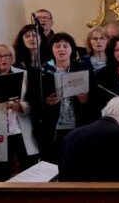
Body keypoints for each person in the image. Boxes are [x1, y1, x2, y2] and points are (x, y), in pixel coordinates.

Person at [0, 44, 38, 181]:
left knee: (30, 173)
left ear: (12, 57)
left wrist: (20, 106)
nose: (3, 59)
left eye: (7, 55)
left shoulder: (24, 75)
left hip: (22, 130)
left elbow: (35, 102)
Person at [31, 32, 95, 164]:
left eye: (65, 46)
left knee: (77, 164)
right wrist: (46, 101)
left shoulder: (82, 68)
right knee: (52, 164)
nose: (61, 49)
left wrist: (85, 100)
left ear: (72, 49)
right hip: (53, 128)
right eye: (57, 46)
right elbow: (33, 100)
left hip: (77, 126)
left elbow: (95, 98)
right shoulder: (42, 71)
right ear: (51, 49)